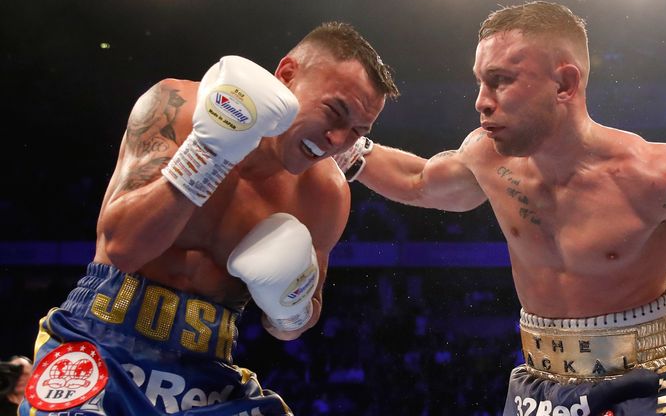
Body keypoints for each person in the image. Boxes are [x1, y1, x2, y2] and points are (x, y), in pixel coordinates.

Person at [333, 1, 666, 415]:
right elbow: (421, 181)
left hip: (640, 378)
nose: (481, 100)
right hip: (537, 382)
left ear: (565, 84)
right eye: (480, 81)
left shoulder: (653, 172)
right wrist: (344, 147)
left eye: (501, 80)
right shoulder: (487, 155)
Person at [20, 22, 399, 416]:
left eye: (357, 131)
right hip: (99, 344)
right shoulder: (176, 108)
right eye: (334, 112)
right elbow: (120, 249)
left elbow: (291, 326)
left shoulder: (326, 195)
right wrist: (208, 153)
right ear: (286, 75)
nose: (338, 141)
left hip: (208, 372)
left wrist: (292, 304)